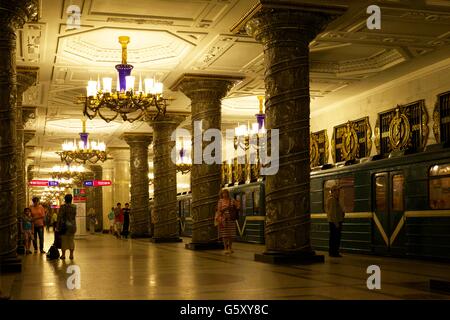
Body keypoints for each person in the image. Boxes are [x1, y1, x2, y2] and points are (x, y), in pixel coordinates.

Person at [215, 189, 240, 254]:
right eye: (223, 193)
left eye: (226, 193)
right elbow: (218, 210)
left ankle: (230, 247)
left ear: (228, 194)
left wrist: (236, 208)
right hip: (224, 219)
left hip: (231, 219)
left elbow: (238, 205)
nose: (224, 195)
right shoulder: (220, 201)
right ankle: (225, 248)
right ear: (221, 195)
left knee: (231, 234)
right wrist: (218, 218)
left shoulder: (232, 200)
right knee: (225, 234)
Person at [326, 185, 345, 257]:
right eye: (337, 190)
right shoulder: (332, 200)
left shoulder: (335, 199)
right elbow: (332, 213)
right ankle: (334, 252)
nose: (339, 192)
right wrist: (336, 223)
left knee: (334, 238)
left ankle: (333, 252)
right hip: (335, 222)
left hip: (335, 222)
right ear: (333, 191)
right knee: (335, 238)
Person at [57, 194, 77, 260]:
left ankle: (63, 255)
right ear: (71, 199)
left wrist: (57, 226)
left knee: (64, 241)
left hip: (64, 226)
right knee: (71, 240)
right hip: (72, 226)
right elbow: (73, 216)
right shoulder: (74, 207)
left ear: (65, 199)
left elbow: (59, 217)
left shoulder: (63, 207)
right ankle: (71, 255)